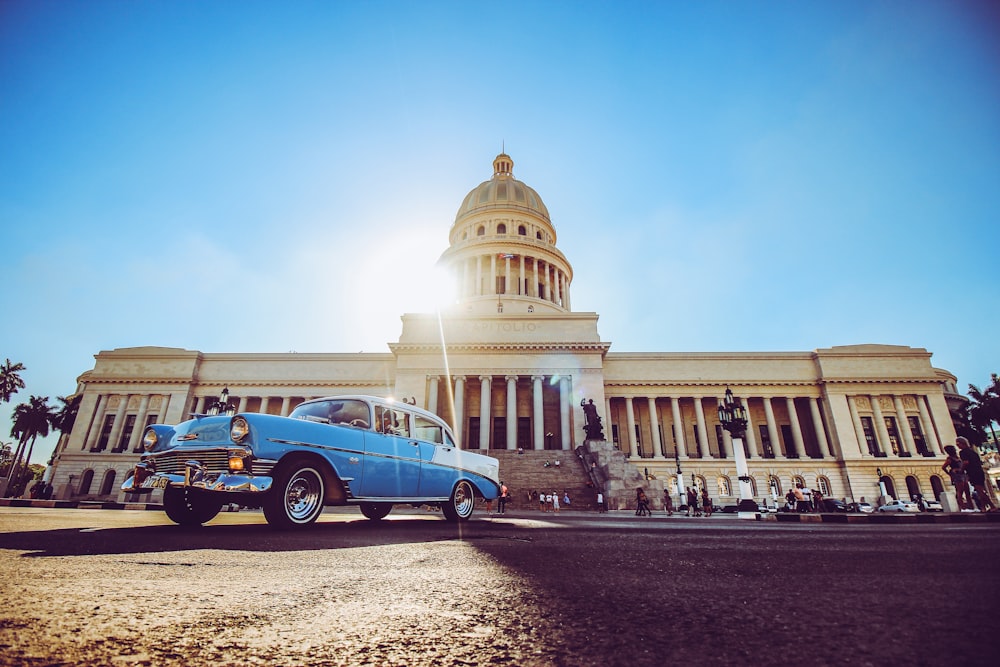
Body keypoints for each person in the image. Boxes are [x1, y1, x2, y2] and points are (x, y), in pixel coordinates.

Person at [957, 436, 996, 512]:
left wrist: (961, 470)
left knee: (980, 491)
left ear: (963, 444)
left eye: (958, 444)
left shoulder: (963, 452)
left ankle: (992, 506)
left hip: (973, 473)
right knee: (980, 490)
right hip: (980, 472)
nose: (958, 446)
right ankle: (983, 508)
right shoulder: (973, 452)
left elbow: (966, 462)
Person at [942, 444, 972, 510]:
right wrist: (951, 473)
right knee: (960, 491)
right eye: (953, 449)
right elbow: (943, 467)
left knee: (967, 491)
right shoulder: (950, 459)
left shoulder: (958, 457)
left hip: (963, 474)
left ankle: (971, 506)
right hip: (958, 475)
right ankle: (963, 507)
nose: (955, 450)